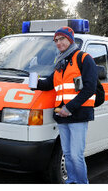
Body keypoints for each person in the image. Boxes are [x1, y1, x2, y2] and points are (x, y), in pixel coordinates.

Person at [33, 26, 97, 184]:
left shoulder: (83, 58)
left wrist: (69, 108)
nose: (58, 43)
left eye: (62, 39)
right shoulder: (60, 61)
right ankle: (72, 182)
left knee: (76, 155)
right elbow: (50, 83)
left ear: (70, 39)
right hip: (62, 115)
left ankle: (82, 183)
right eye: (56, 40)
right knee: (67, 154)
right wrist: (35, 83)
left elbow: (90, 88)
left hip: (77, 114)